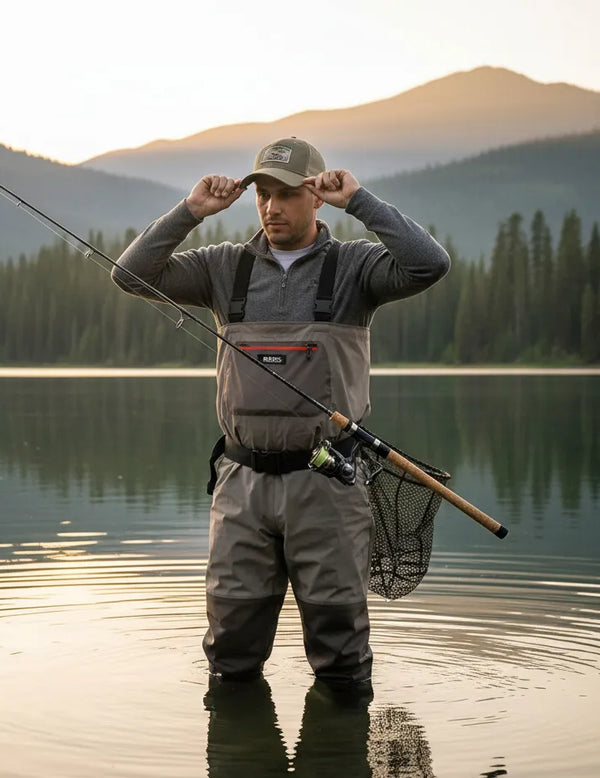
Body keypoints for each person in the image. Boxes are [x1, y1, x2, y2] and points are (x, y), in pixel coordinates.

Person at [113, 137, 450, 690]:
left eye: (287, 194)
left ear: (316, 196)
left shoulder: (355, 267)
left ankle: (341, 737)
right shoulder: (223, 267)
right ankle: (239, 738)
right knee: (230, 654)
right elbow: (130, 274)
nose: (272, 207)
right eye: (263, 194)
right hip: (241, 488)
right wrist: (191, 210)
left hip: (329, 487)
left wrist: (359, 201)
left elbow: (429, 264)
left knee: (341, 660)